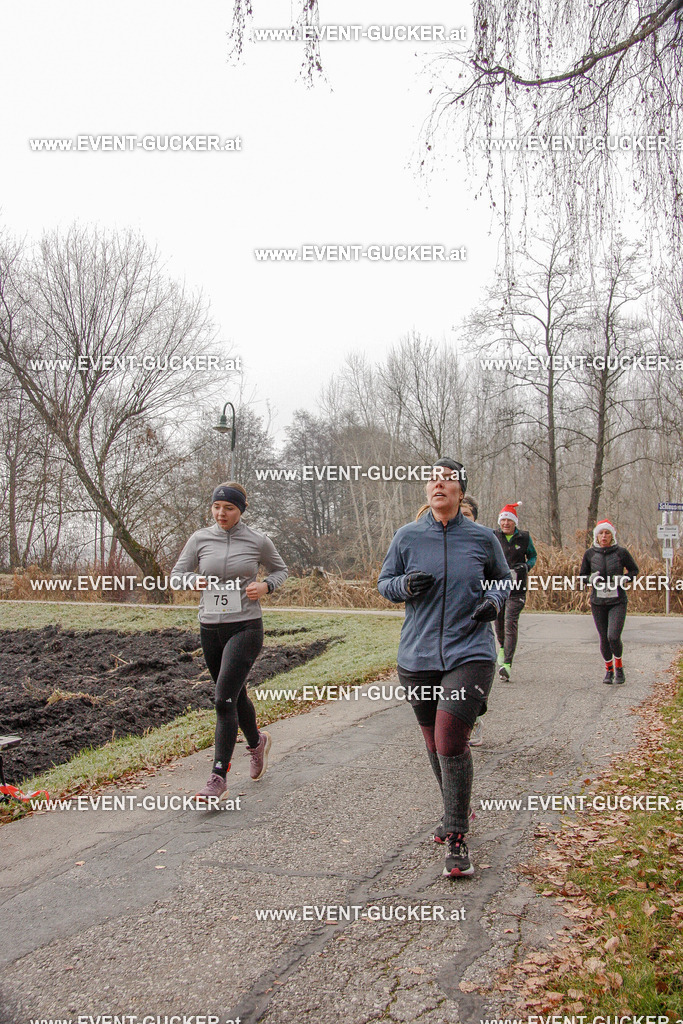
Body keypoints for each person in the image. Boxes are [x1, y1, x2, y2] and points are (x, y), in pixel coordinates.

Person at [379, 460, 511, 878]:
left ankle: (456, 835)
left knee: (450, 739)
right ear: (427, 490)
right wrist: (403, 586)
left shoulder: (482, 538)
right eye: (433, 478)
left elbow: (504, 579)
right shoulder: (407, 536)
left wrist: (494, 602)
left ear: (460, 490)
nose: (439, 483)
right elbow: (384, 583)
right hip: (416, 656)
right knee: (435, 744)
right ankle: (458, 807)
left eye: (448, 478)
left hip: (470, 651)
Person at [171, 482, 288, 797]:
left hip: (245, 627)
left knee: (223, 698)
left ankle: (218, 778)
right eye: (216, 507)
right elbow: (176, 575)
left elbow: (280, 570)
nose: (221, 513)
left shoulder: (258, 540)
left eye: (229, 508)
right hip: (210, 628)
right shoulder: (200, 539)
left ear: (241, 510)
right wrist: (191, 580)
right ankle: (257, 742)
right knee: (235, 695)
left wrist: (265, 586)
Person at [580, 520, 639, 684]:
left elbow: (634, 570)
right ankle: (609, 670)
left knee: (613, 636)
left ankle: (619, 667)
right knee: (604, 638)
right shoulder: (590, 554)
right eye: (601, 533)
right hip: (598, 602)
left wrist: (624, 578)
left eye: (607, 533)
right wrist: (589, 579)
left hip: (617, 601)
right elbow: (582, 575)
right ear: (596, 536)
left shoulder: (621, 552)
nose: (604, 536)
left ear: (612, 536)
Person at [493, 503, 537, 682]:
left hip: (517, 589)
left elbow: (533, 556)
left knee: (510, 622)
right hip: (497, 587)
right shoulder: (494, 536)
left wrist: (526, 566)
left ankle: (507, 665)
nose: (506, 523)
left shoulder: (524, 537)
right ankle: (502, 647)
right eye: (503, 520)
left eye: (509, 520)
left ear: (515, 523)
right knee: (499, 623)